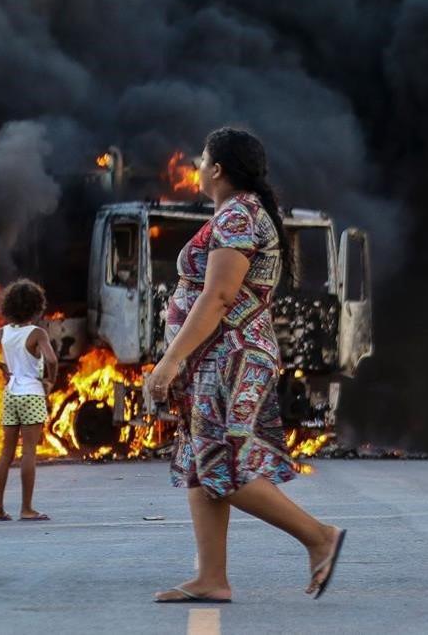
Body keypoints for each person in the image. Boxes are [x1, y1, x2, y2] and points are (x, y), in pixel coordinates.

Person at [145, 127, 344, 603]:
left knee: (224, 467)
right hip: (216, 356)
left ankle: (319, 537)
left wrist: (170, 361)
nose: (194, 165)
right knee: (201, 465)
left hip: (228, 356)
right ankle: (212, 577)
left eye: (201, 158)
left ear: (217, 168)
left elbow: (218, 295)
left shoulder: (237, 216)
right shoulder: (239, 213)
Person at [0, 279, 58, 522]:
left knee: (5, 453)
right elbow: (51, 360)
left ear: (8, 306)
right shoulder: (37, 333)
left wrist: (0, 365)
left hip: (10, 395)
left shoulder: (3, 332)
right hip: (32, 394)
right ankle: (26, 508)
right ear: (37, 307)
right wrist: (50, 380)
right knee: (28, 452)